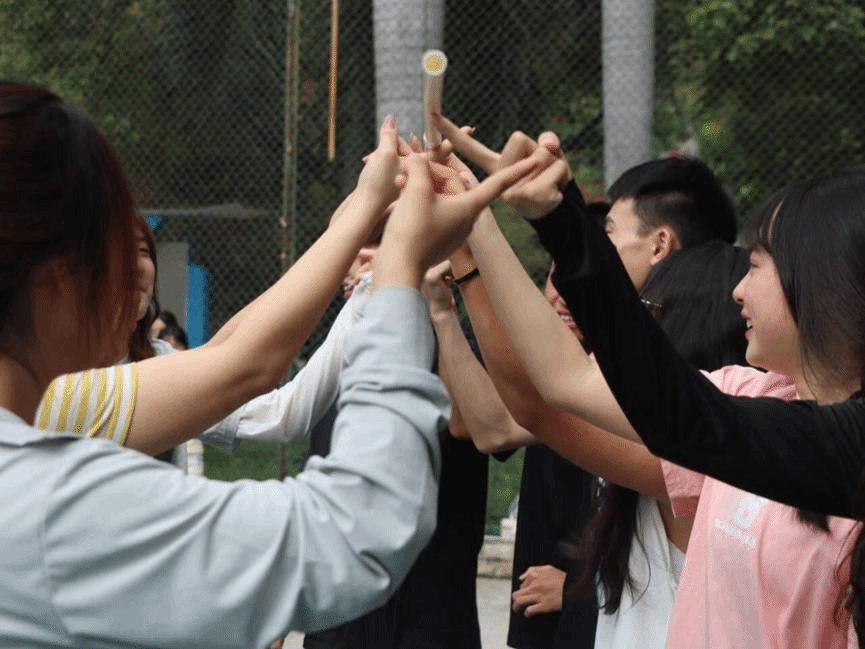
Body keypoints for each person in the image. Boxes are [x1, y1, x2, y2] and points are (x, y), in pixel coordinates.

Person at [0, 81, 538, 647]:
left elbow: (236, 361)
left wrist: (362, 214)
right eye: (106, 253)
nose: (130, 275)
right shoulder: (51, 505)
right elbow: (351, 537)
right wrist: (398, 269)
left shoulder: (58, 409)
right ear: (56, 278)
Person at [435, 124, 859, 647]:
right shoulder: (743, 393)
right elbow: (568, 380)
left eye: (754, 265)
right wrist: (486, 216)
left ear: (822, 284)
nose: (738, 290)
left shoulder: (832, 450)